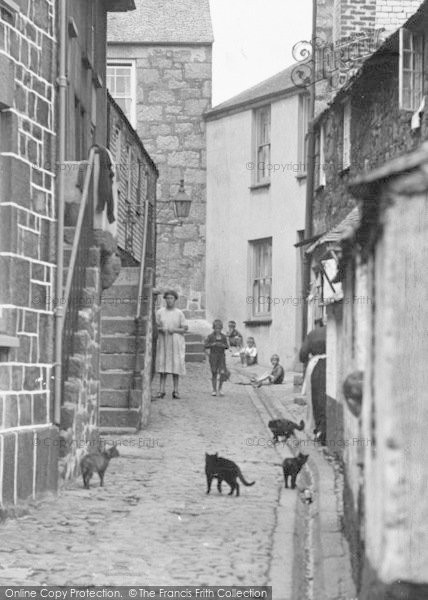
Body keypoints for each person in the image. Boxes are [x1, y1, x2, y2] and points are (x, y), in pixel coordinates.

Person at [155, 290, 188, 399]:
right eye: (167, 298)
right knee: (163, 365)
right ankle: (161, 390)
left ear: (175, 300)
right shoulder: (160, 312)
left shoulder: (179, 313)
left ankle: (176, 390)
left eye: (171, 298)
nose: (169, 300)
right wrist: (161, 329)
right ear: (165, 299)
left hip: (175, 341)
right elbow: (155, 327)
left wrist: (174, 330)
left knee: (175, 365)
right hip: (164, 341)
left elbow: (184, 329)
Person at [299, 318, 327, 445]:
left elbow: (302, 355)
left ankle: (319, 430)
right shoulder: (332, 330)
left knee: (316, 398)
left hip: (317, 366)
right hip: (334, 363)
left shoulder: (312, 334)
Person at [204, 319, 230, 396]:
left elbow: (227, 346)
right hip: (213, 356)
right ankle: (214, 389)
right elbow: (205, 345)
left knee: (222, 373)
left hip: (221, 356)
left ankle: (220, 388)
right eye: (216, 328)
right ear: (214, 328)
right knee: (214, 372)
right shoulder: (210, 336)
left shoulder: (223, 337)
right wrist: (213, 344)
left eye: (219, 328)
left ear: (221, 328)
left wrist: (222, 345)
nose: (218, 330)